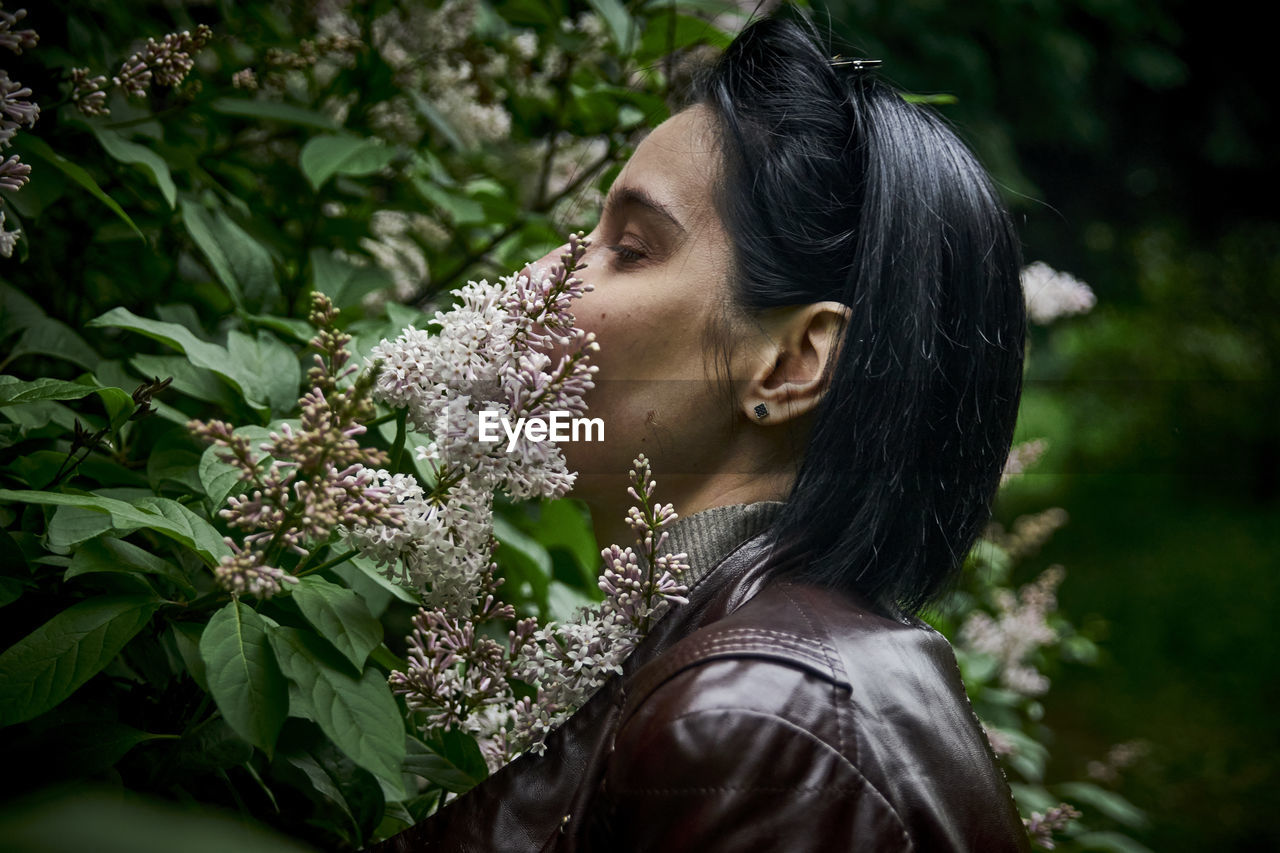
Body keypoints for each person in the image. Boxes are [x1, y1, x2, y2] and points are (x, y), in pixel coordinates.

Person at [375, 10, 1030, 852]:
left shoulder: (764, 725)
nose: (539, 279)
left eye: (631, 248)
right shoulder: (763, 683)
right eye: (582, 237)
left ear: (792, 365)